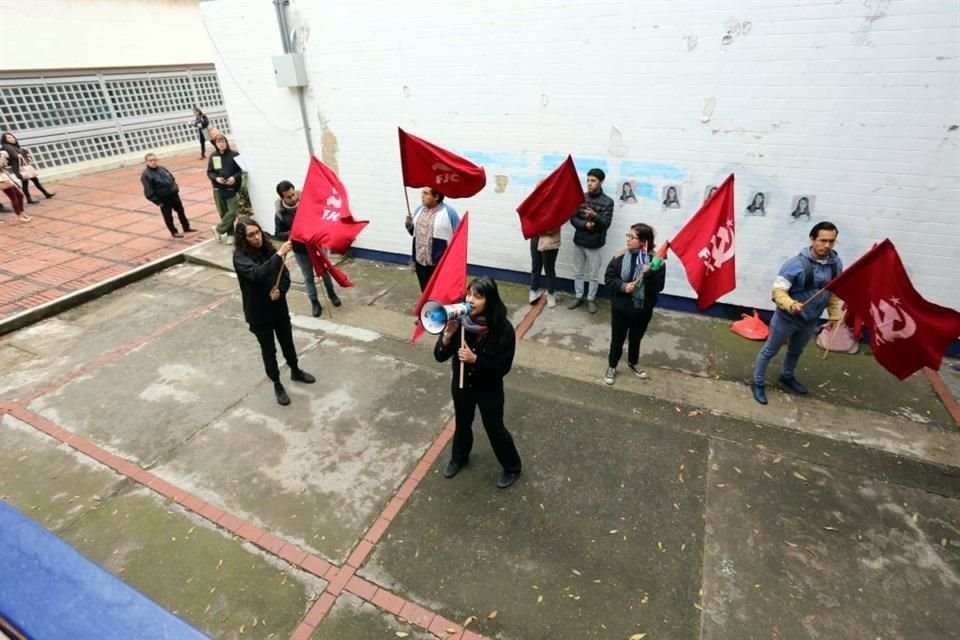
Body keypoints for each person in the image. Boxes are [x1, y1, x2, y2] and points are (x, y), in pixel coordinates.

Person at [434, 277, 522, 489]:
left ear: (490, 301)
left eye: (478, 296)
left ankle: (512, 467)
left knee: (494, 427)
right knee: (463, 423)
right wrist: (447, 336)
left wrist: (476, 360)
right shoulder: (460, 321)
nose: (471, 300)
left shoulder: (503, 330)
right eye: (469, 294)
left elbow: (503, 368)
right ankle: (459, 457)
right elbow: (439, 356)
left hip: (488, 389)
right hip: (462, 385)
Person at [750, 222, 843, 405]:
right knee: (770, 350)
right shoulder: (794, 265)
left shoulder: (835, 264)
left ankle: (787, 376)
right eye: (822, 240)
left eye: (831, 241)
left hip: (810, 320)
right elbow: (778, 291)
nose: (827, 246)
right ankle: (758, 382)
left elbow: (832, 291)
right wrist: (790, 304)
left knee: (796, 351)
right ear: (812, 239)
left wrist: (834, 315)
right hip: (787, 318)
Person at [233, 217, 316, 406]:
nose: (257, 238)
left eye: (258, 233)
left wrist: (281, 291)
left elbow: (284, 275)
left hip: (278, 308)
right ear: (243, 238)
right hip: (259, 313)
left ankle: (295, 370)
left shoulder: (268, 249)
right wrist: (278, 255)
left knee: (287, 341)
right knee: (268, 350)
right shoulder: (240, 257)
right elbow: (256, 274)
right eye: (251, 235)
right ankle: (277, 383)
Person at [603, 223, 666, 385]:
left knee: (636, 338)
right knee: (617, 339)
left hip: (642, 310)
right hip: (620, 308)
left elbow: (659, 287)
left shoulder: (656, 262)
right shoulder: (620, 257)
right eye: (628, 236)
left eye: (632, 237)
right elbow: (609, 278)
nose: (628, 240)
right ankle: (612, 366)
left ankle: (633, 362)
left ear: (644, 241)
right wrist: (623, 286)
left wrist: (650, 275)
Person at [273, 180, 341, 318]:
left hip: (317, 246)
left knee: (325, 272)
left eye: (293, 194)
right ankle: (314, 302)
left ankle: (332, 294)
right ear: (282, 197)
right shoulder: (280, 214)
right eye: (288, 197)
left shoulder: (307, 204)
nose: (292, 198)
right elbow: (278, 234)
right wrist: (293, 232)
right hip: (300, 250)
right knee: (308, 277)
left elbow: (320, 218)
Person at [568, 168, 614, 313]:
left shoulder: (608, 202)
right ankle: (579, 296)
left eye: (593, 181)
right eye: (588, 180)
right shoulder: (580, 197)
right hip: (579, 241)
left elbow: (606, 224)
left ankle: (591, 299)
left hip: (594, 244)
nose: (589, 183)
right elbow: (573, 218)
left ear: (601, 182)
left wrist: (595, 216)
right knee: (578, 272)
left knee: (593, 274)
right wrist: (585, 224)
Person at [404, 188, 460, 291]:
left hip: (439, 264)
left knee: (438, 291)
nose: (422, 196)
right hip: (420, 261)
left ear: (436, 197)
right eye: (422, 193)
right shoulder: (418, 210)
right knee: (425, 290)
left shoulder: (449, 213)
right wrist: (408, 224)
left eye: (426, 193)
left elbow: (459, 238)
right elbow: (413, 233)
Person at [140, 153, 195, 238]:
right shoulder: (146, 175)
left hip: (173, 195)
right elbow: (148, 192)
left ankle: (186, 227)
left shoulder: (162, 168)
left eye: (155, 160)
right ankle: (173, 232)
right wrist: (158, 202)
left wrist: (175, 188)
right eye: (151, 160)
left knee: (181, 211)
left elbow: (172, 178)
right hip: (163, 199)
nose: (153, 162)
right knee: (168, 216)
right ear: (146, 162)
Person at [207, 134, 245, 242]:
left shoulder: (234, 154)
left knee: (233, 211)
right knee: (223, 213)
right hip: (218, 188)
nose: (221, 144)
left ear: (226, 142)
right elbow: (210, 172)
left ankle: (218, 229)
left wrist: (234, 177)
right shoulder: (214, 156)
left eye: (223, 141)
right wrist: (216, 178)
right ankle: (230, 235)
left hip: (231, 188)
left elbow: (241, 170)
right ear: (216, 144)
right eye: (218, 142)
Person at [1, 132, 55, 204]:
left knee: (35, 181)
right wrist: (24, 151)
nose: (12, 139)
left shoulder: (14, 146)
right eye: (9, 138)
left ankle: (46, 193)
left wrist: (22, 152)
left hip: (25, 167)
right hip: (20, 168)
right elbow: (15, 156)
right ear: (5, 139)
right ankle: (29, 199)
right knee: (25, 183)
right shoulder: (7, 146)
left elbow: (20, 154)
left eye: (12, 137)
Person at [529, 228, 560, 307]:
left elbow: (557, 222)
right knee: (536, 266)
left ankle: (551, 294)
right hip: (536, 237)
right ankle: (533, 291)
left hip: (550, 239)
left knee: (549, 268)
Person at [0, 149, 30, 222]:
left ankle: (22, 213)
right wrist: (2, 158)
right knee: (13, 197)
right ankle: (19, 216)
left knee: (20, 195)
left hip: (5, 177)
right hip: (2, 180)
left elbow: (5, 165)